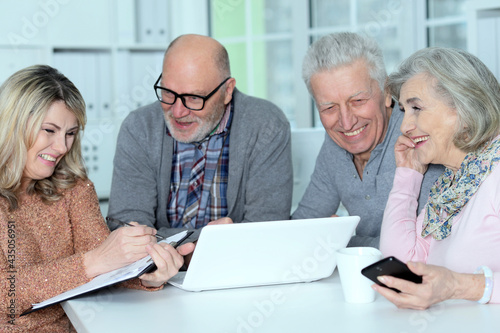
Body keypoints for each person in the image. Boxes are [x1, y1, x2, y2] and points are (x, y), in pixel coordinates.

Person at [0, 65, 193, 332]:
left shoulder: (74, 188)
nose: (61, 148)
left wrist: (149, 275)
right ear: (13, 124)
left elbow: (108, 273)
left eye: (70, 134)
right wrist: (93, 260)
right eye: (49, 130)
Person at [107, 34, 293, 240]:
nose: (177, 112)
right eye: (168, 93)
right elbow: (126, 229)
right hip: (158, 269)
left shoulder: (266, 125)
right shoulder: (139, 127)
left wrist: (166, 241)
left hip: (237, 270)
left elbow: (265, 231)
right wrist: (209, 241)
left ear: (227, 91)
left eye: (194, 98)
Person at [292, 32, 444, 247]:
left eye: (358, 100)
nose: (346, 122)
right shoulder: (335, 143)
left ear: (386, 92)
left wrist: (342, 241)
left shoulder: (416, 134)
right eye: (329, 108)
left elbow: (424, 244)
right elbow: (302, 227)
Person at [377, 47, 500, 308]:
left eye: (416, 108)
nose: (403, 126)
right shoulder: (452, 186)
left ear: (464, 107)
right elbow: (402, 266)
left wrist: (458, 286)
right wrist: (408, 176)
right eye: (403, 110)